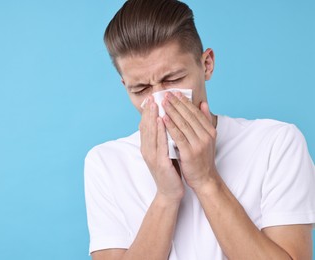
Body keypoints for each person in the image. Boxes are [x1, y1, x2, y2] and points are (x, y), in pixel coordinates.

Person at [84, 0, 315, 259]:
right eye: (141, 89)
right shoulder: (105, 162)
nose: (162, 101)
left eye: (173, 79)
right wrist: (166, 196)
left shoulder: (276, 143)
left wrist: (207, 180)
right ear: (124, 85)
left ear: (206, 65)